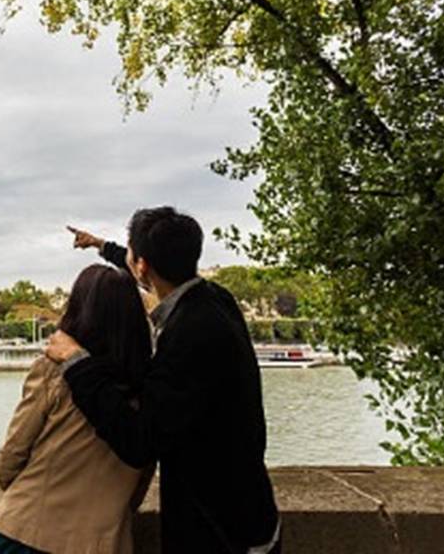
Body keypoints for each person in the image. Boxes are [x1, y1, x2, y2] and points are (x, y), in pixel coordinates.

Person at [48, 208, 281, 553]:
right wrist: (102, 246)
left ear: (142, 265)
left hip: (219, 532)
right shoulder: (216, 299)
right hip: (250, 510)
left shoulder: (189, 336)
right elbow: (143, 264)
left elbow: (138, 440)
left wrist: (76, 363)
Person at [0, 264, 156, 554]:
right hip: (104, 542)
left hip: (29, 531)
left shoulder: (52, 370)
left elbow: (13, 454)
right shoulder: (150, 384)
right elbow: (142, 474)